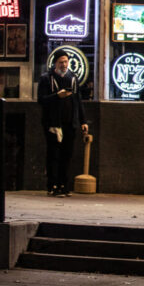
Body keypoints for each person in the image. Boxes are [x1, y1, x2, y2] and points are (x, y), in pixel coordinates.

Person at [38, 52, 89, 196]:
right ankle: (52, 185)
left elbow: (78, 101)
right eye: (61, 62)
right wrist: (57, 96)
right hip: (53, 123)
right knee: (53, 154)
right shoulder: (46, 79)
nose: (64, 65)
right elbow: (41, 100)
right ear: (55, 63)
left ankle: (63, 185)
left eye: (66, 62)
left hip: (69, 122)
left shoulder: (72, 78)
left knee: (67, 154)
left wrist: (83, 121)